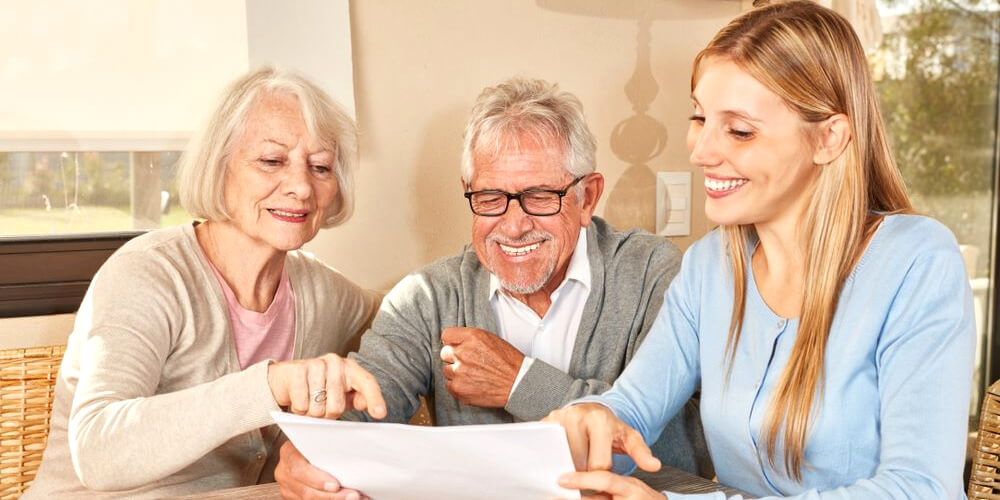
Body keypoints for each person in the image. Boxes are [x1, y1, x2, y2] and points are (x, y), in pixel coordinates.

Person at [544, 2, 975, 499]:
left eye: (740, 130)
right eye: (699, 117)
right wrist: (597, 418)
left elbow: (921, 488)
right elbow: (634, 407)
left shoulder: (916, 262)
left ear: (830, 138)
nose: (701, 151)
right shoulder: (709, 267)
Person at [274, 77, 712, 499]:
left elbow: (684, 448)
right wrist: (312, 456)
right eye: (490, 198)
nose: (514, 225)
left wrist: (520, 383)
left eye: (541, 196)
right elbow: (364, 408)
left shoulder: (654, 272)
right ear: (468, 191)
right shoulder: (427, 297)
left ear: (588, 197)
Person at [25, 67, 387, 498]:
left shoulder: (323, 293)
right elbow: (98, 451)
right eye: (271, 161)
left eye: (321, 167)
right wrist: (268, 385)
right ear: (219, 166)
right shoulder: (148, 274)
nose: (301, 186)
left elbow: (410, 319)